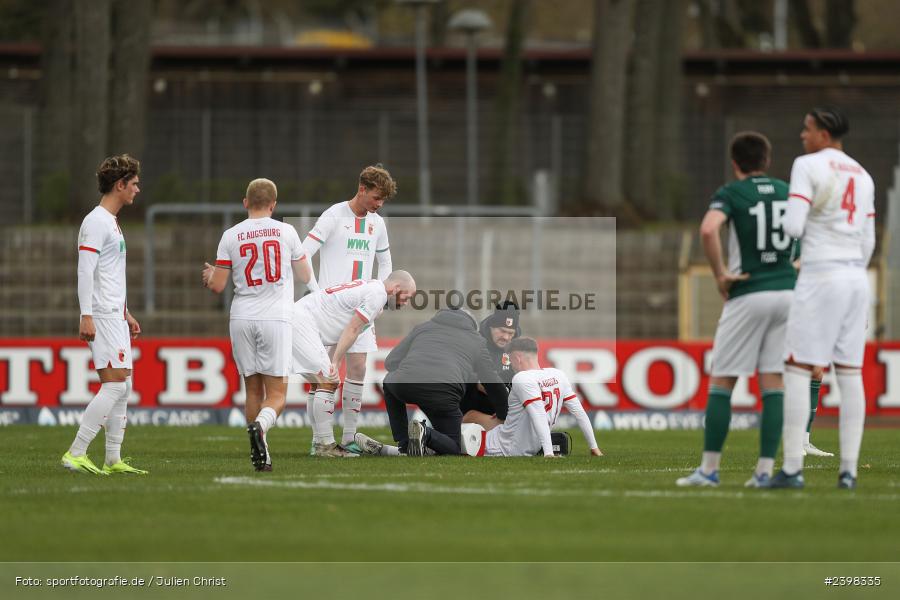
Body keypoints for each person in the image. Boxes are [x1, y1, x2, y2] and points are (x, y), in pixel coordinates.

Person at [676, 132, 794, 488]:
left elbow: (709, 229)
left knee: (723, 380)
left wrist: (720, 275)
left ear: (735, 162)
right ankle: (762, 472)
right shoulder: (788, 191)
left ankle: (709, 470)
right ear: (767, 160)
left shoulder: (731, 192)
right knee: (774, 381)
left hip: (749, 290)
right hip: (789, 292)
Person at [769, 106, 875, 490]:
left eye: (807, 129)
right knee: (849, 373)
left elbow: (794, 225)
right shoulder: (863, 175)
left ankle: (793, 468)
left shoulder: (808, 165)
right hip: (856, 277)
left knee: (797, 368)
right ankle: (848, 471)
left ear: (824, 135)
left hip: (821, 273)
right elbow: (869, 241)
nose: (802, 135)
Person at [203, 178, 311, 471]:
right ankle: (261, 430)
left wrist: (212, 274)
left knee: (252, 392)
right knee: (277, 395)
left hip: (241, 317)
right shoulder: (286, 231)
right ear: (274, 205)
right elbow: (304, 274)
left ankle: (261, 451)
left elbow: (218, 286)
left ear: (245, 202)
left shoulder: (230, 235)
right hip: (275, 317)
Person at [61, 154, 148, 475]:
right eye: (134, 184)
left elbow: (110, 274)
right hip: (101, 314)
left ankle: (113, 458)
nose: (138, 190)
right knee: (113, 386)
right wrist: (87, 314)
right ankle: (76, 452)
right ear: (120, 185)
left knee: (123, 387)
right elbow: (87, 271)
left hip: (114, 314)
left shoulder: (111, 222)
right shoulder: (96, 222)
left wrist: (126, 312)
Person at [301, 165, 396, 453]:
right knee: (326, 372)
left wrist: (379, 293)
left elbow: (387, 264)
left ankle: (350, 436)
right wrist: (315, 291)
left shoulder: (377, 223)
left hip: (361, 308)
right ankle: (321, 439)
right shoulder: (333, 215)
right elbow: (303, 254)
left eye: (382, 201)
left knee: (358, 367)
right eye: (376, 198)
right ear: (362, 189)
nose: (378, 205)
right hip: (330, 310)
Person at [295, 271, 416, 457]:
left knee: (320, 382)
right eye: (406, 297)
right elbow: (352, 328)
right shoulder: (377, 294)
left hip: (299, 319)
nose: (406, 303)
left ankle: (319, 442)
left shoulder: (373, 290)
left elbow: (342, 329)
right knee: (328, 380)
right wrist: (334, 362)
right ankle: (324, 446)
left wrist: (333, 360)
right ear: (396, 288)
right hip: (301, 322)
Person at [382, 308, 509, 456]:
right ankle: (425, 433)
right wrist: (504, 414)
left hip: (408, 384)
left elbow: (390, 362)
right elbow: (491, 380)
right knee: (455, 446)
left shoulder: (422, 328)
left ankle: (404, 442)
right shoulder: (477, 341)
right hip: (444, 394)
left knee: (389, 381)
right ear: (472, 326)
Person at [462, 337, 602, 458]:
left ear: (517, 358)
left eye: (510, 360)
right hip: (526, 444)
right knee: (471, 417)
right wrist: (594, 447)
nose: (511, 365)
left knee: (458, 434)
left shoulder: (522, 378)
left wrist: (548, 453)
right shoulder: (558, 374)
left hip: (503, 446)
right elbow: (579, 413)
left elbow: (538, 414)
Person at [459, 302, 520, 428]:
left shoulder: (515, 347)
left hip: (502, 407)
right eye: (502, 331)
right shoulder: (475, 342)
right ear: (491, 326)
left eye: (510, 333)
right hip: (471, 407)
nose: (506, 337)